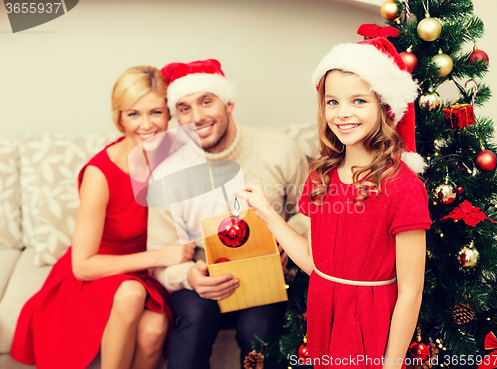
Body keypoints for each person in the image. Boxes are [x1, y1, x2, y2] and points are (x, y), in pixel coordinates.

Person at [234, 31, 432, 368]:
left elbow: (411, 292)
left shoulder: (403, 187)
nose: (342, 113)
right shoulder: (320, 176)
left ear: (384, 106)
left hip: (371, 322)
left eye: (359, 101)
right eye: (332, 101)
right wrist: (267, 212)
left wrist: (392, 364)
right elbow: (316, 265)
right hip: (325, 314)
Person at [11, 66, 196, 369]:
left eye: (156, 112)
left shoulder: (177, 154)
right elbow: (83, 265)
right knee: (130, 293)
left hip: (149, 271)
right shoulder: (100, 173)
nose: (147, 124)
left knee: (154, 330)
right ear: (119, 117)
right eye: (133, 114)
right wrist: (161, 256)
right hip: (100, 272)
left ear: (169, 114)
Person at [147, 59, 310, 369]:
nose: (197, 117)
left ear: (229, 103)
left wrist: (290, 242)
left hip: (267, 273)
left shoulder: (281, 150)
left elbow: (308, 213)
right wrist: (187, 276)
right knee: (193, 323)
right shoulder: (167, 174)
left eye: (206, 102)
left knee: (259, 331)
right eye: (184, 108)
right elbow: (158, 256)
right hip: (203, 276)